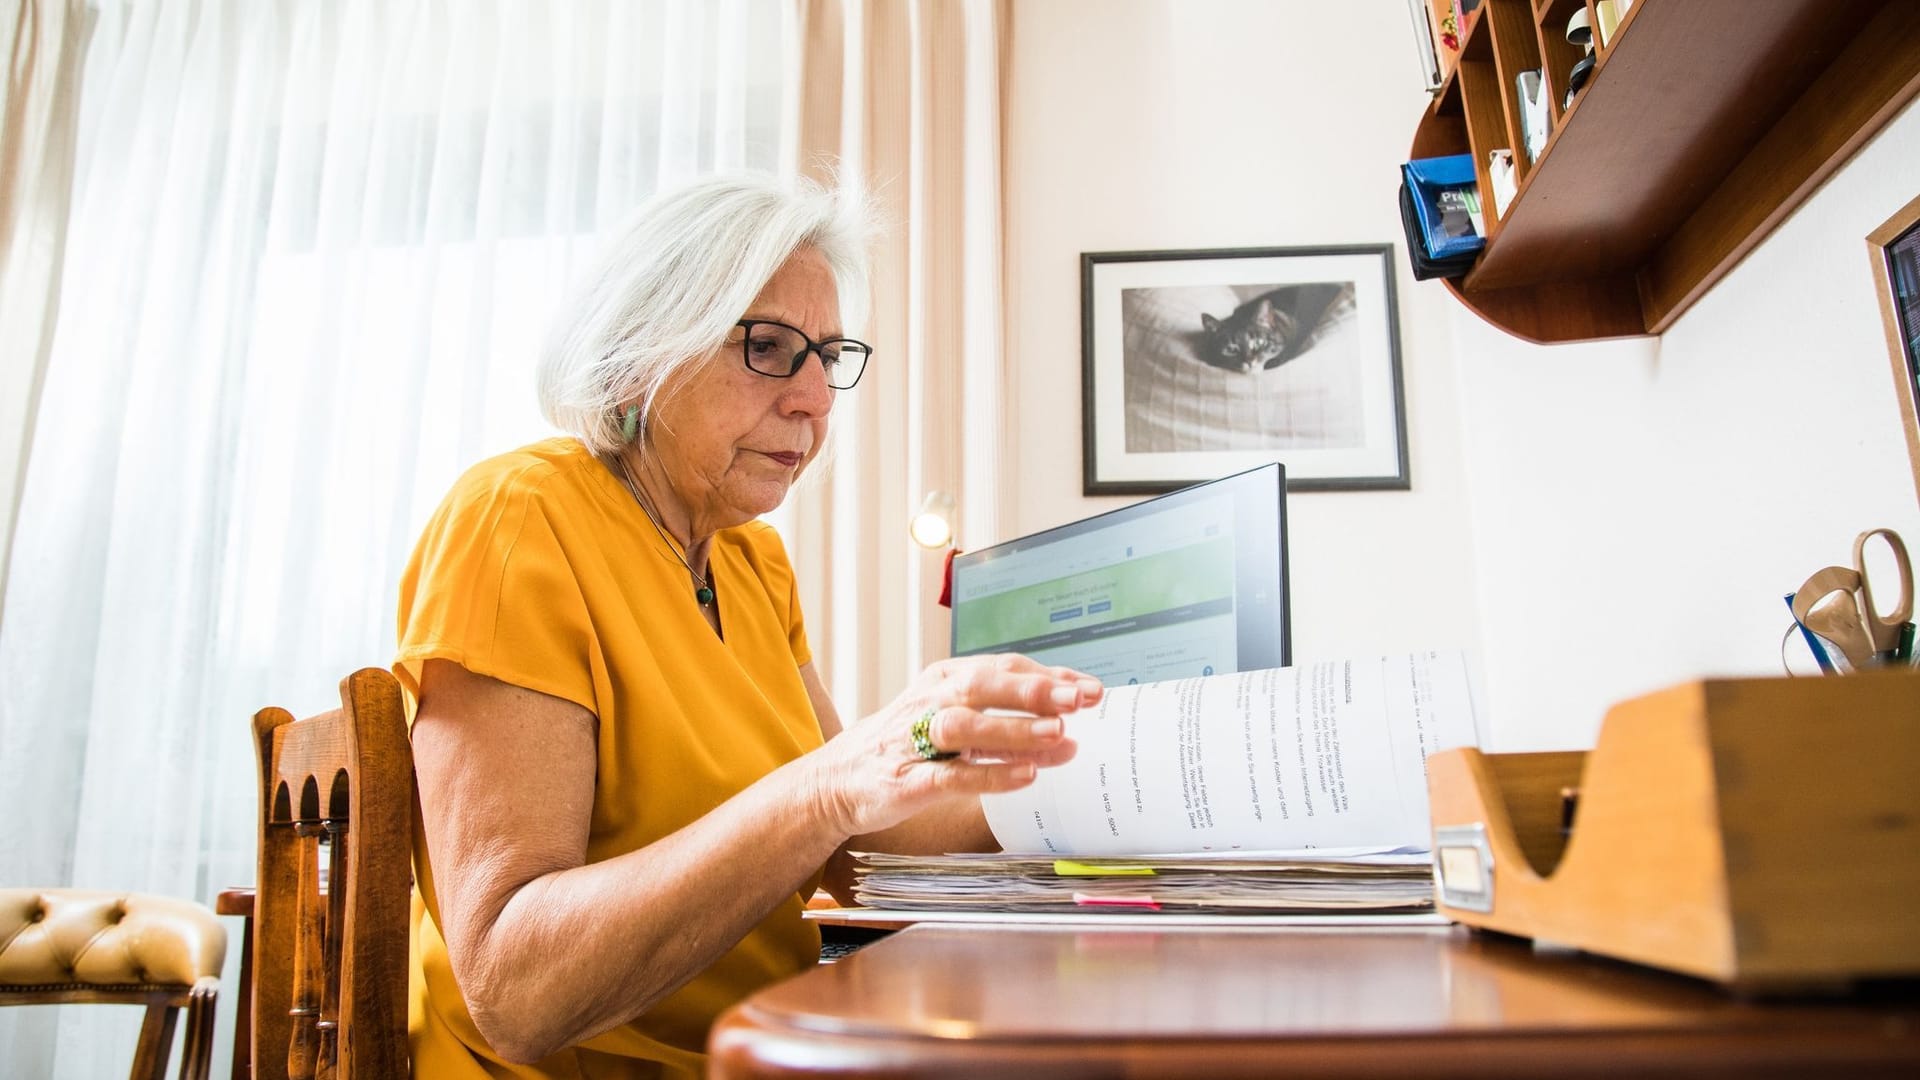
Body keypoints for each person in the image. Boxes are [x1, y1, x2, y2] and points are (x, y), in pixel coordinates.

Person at [393, 172, 1103, 1077]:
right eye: (768, 347)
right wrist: (830, 783)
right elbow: (517, 991)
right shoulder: (519, 518)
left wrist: (1072, 780)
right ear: (644, 351)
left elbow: (857, 849)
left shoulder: (751, 562)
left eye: (829, 355)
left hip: (774, 1045)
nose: (815, 399)